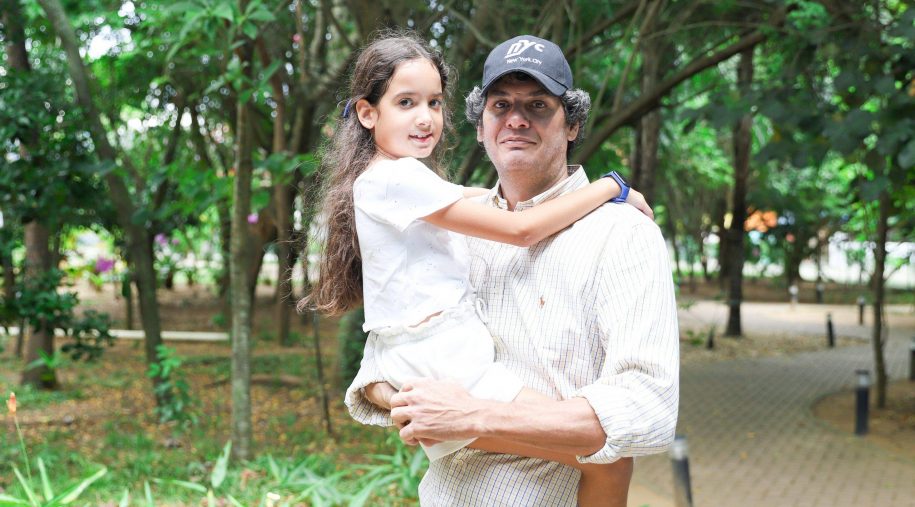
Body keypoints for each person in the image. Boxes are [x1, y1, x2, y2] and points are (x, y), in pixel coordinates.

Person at [304, 32, 652, 505]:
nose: (425, 118)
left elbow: (471, 197)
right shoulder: (397, 178)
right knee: (606, 457)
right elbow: (522, 230)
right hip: (448, 365)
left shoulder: (389, 178)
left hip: (429, 359)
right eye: (406, 103)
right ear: (368, 113)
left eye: (433, 102)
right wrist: (611, 187)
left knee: (603, 456)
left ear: (572, 124)